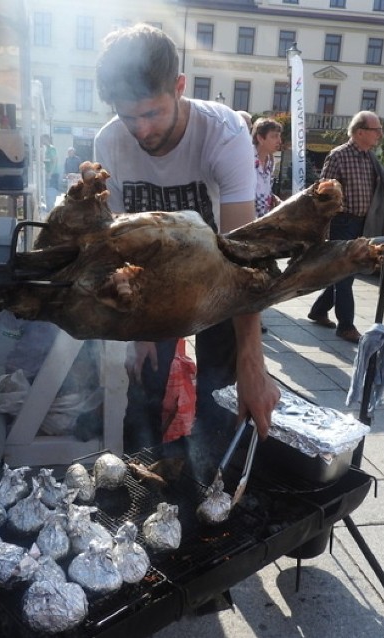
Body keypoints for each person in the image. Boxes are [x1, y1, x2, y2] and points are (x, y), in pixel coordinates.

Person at [94, 24, 279, 448]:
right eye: (128, 116)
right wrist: (137, 328)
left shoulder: (224, 132)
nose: (140, 131)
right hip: (154, 279)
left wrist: (253, 359)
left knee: (221, 397)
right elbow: (121, 245)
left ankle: (213, 479)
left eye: (152, 113)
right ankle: (141, 480)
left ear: (179, 87)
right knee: (143, 393)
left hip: (218, 278)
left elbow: (243, 251)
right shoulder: (109, 142)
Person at [307, 110, 384, 343]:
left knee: (346, 272)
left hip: (363, 223)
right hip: (342, 222)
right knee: (346, 274)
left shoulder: (370, 158)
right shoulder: (338, 156)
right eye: (376, 129)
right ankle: (346, 326)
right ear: (359, 132)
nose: (380, 134)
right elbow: (322, 192)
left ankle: (318, 310)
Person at [251, 117, 282, 219]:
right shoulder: (246, 159)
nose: (279, 141)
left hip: (261, 223)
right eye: (274, 136)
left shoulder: (270, 161)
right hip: (245, 223)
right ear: (260, 138)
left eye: (279, 136)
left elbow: (264, 190)